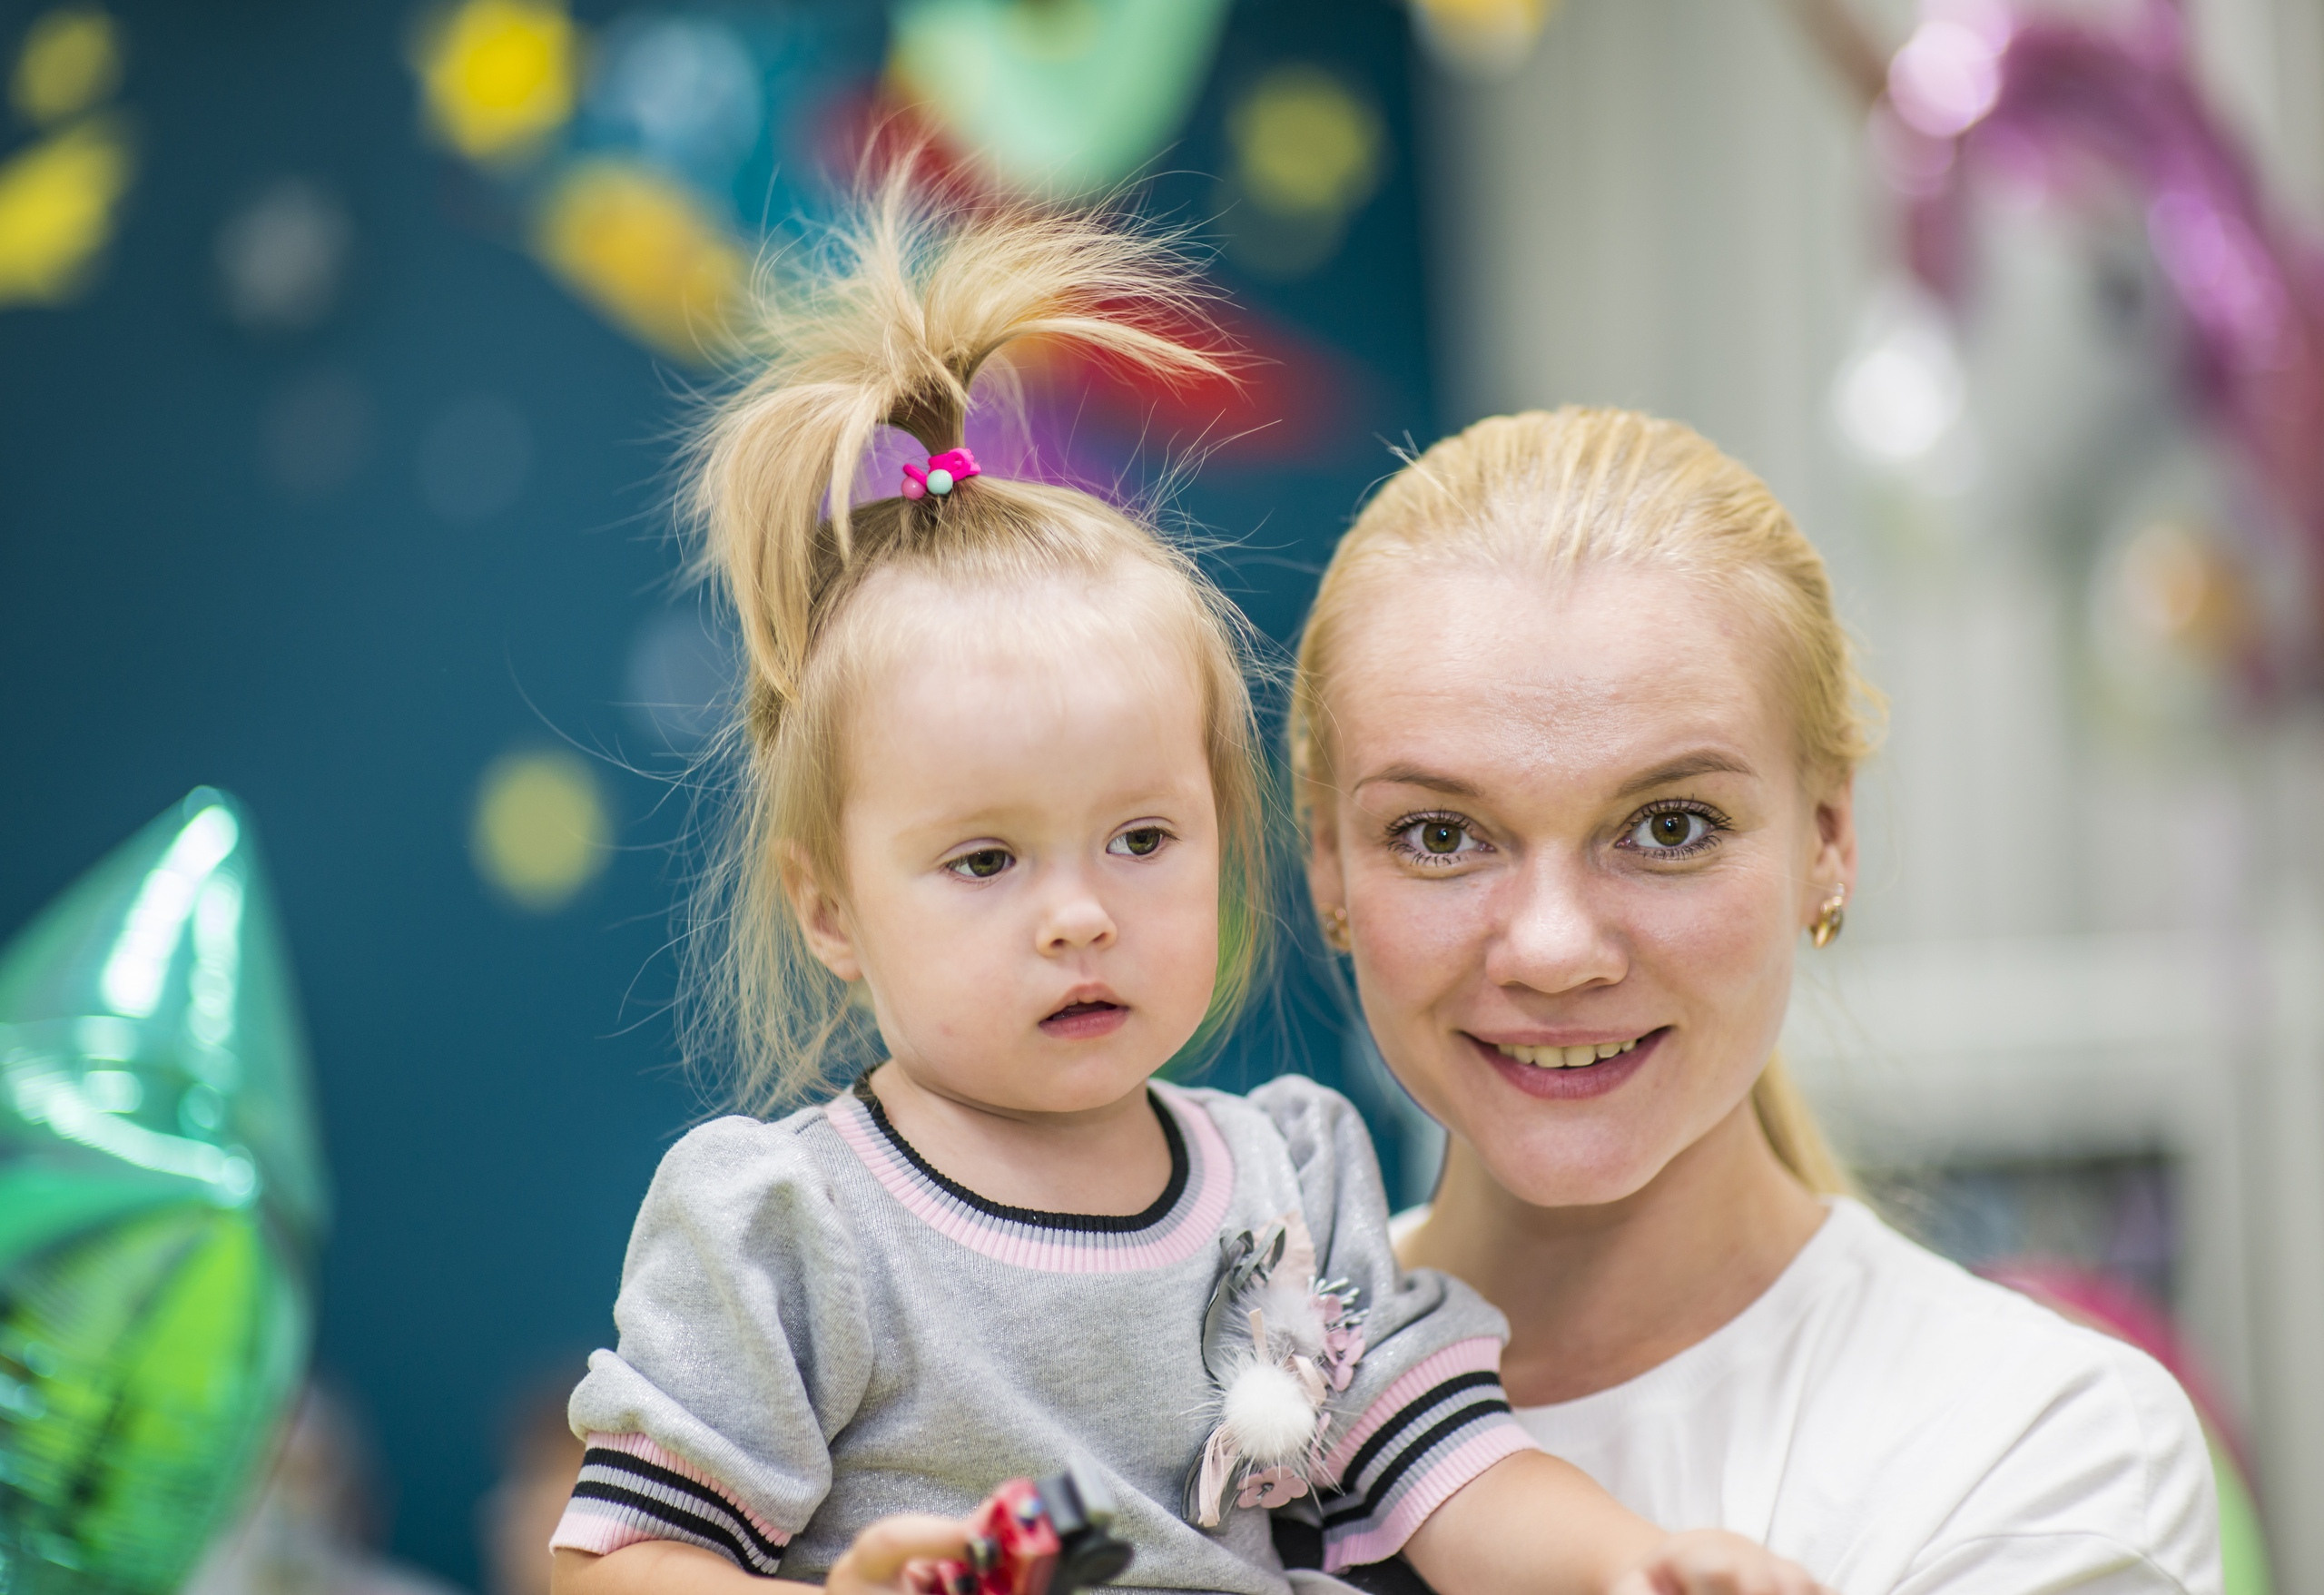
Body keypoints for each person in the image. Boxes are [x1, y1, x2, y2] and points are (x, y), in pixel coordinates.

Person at [546, 185, 1829, 1595]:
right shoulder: (794, 1225)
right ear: (830, 908)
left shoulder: (1289, 1179)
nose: (1080, 913)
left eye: (1143, 839)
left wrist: (1630, 1565)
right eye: (985, 860)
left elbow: (1450, 1468)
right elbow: (620, 1562)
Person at [1291, 408, 2225, 1594]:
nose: (1553, 946)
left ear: (1827, 839)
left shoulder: (2040, 1442)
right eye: (1439, 834)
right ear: (1327, 861)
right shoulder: (1196, 1376)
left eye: (1670, 826)